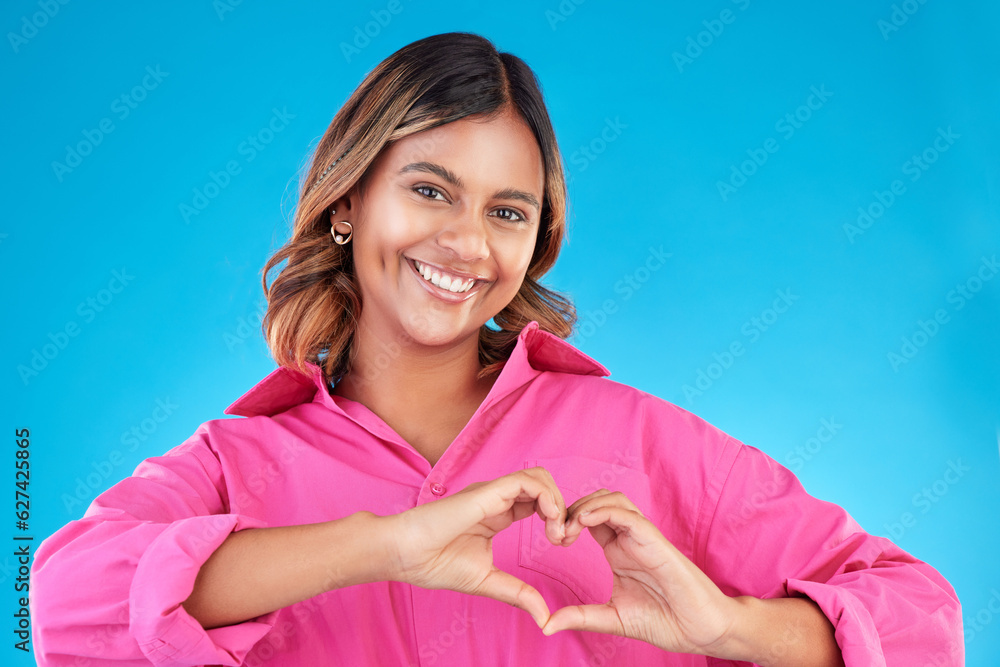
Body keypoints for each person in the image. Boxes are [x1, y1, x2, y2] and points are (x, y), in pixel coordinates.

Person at [31, 32, 963, 666]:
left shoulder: (638, 440)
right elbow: (66, 605)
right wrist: (383, 545)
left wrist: (731, 624)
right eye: (430, 190)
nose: (468, 245)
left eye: (506, 211)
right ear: (349, 202)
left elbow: (922, 618)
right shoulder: (236, 463)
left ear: (535, 242)